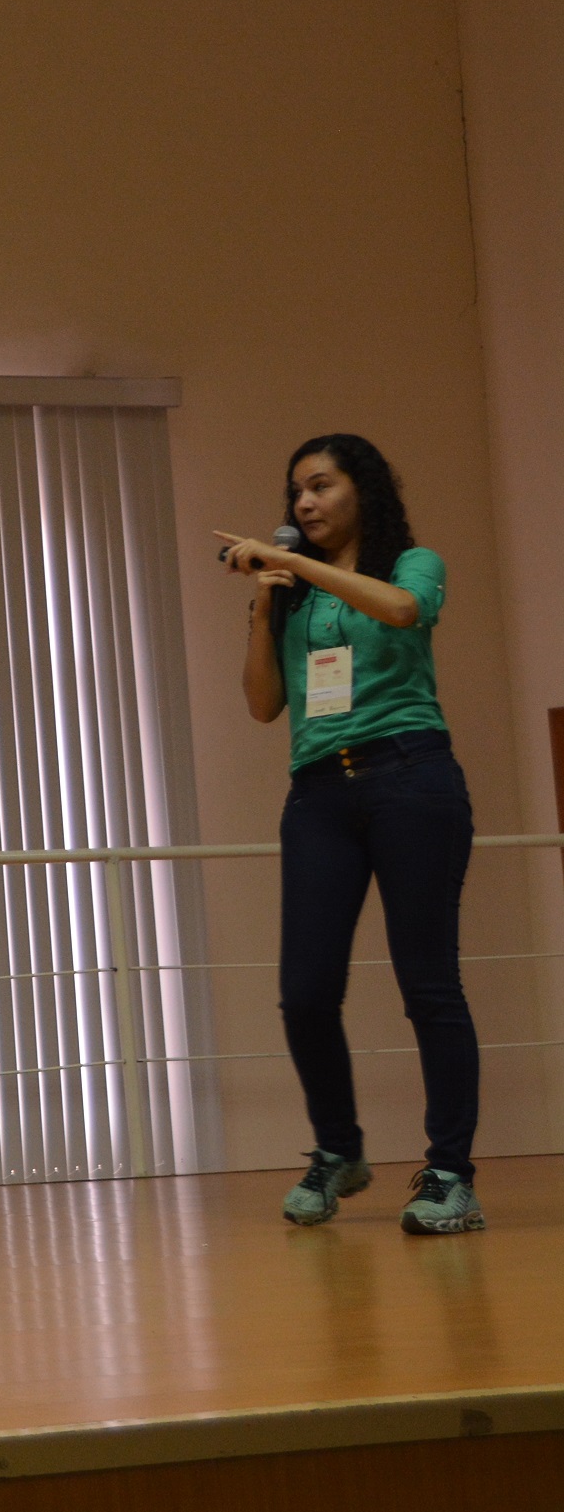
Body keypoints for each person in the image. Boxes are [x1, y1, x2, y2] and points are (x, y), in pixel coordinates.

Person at [219, 434, 484, 1234]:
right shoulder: (293, 590)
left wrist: (290, 563)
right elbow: (263, 705)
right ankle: (339, 1150)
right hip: (318, 792)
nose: (304, 502)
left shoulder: (412, 564)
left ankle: (450, 1175)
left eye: (321, 485)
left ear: (362, 490)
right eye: (296, 491)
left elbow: (401, 611)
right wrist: (264, 605)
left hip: (410, 776)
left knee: (428, 985)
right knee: (304, 992)